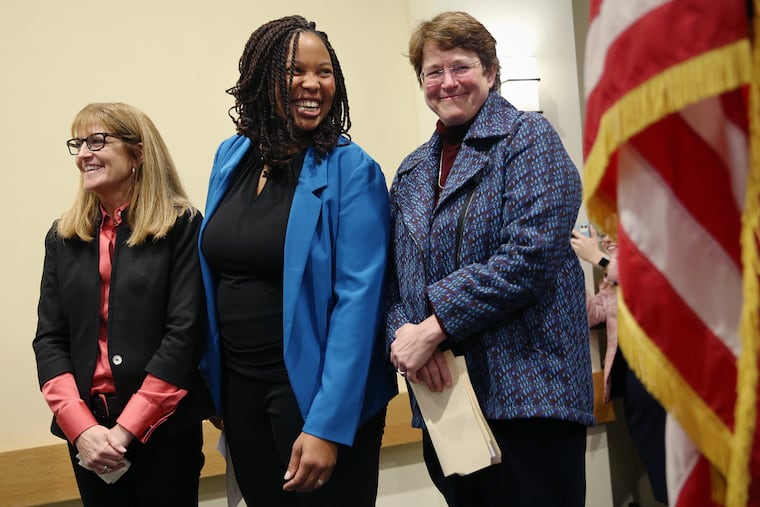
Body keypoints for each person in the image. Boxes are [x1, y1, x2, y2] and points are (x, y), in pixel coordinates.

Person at [384, 11, 595, 507]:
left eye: (461, 66)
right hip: (447, 403)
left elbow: (529, 257)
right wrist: (406, 339)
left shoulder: (530, 139)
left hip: (529, 403)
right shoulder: (412, 171)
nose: (447, 82)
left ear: (491, 72)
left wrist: (435, 327)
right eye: (433, 72)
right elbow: (392, 281)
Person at [198, 15, 397, 507]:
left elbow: (359, 304)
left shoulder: (353, 170)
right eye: (296, 70)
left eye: (324, 71)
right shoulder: (232, 156)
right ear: (262, 77)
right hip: (240, 391)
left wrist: (327, 426)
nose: (313, 84)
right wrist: (216, 388)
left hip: (310, 397)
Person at [33, 102, 214, 506]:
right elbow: (49, 340)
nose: (83, 154)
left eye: (97, 140)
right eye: (78, 143)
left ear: (139, 153)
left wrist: (125, 430)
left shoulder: (181, 226)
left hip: (163, 432)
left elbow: (183, 337)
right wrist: (81, 429)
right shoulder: (62, 237)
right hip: (88, 437)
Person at [572, 220, 668, 505]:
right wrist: (571, 265)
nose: (606, 239)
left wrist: (599, 257)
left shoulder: (656, 261)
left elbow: (654, 285)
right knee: (660, 475)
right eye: (605, 235)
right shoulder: (613, 279)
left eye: (614, 235)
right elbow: (593, 314)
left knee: (680, 476)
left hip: (663, 384)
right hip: (632, 385)